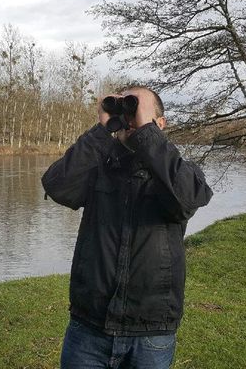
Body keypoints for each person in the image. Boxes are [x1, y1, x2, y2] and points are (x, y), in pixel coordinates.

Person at [42, 86, 213, 369]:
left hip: (151, 330)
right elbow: (57, 186)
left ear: (160, 123)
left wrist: (145, 132)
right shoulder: (98, 168)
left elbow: (188, 199)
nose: (130, 118)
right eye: (125, 110)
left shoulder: (182, 171)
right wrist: (102, 129)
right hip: (89, 327)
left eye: (137, 110)